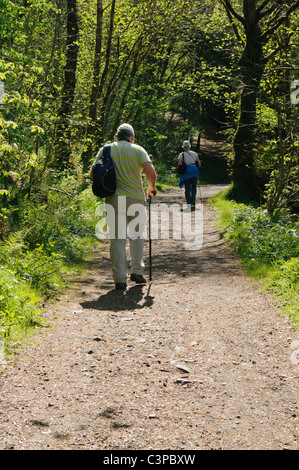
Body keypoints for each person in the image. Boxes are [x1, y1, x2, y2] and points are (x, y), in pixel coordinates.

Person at [90, 123, 157, 290]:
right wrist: (151, 187)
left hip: (114, 199)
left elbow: (92, 174)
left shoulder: (106, 149)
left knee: (117, 240)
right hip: (135, 198)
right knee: (137, 235)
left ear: (117, 137)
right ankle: (136, 271)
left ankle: (120, 279)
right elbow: (150, 169)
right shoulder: (138, 150)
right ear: (132, 137)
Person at [178, 140, 201, 210]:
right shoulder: (194, 154)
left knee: (187, 188)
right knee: (194, 187)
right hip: (194, 172)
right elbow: (199, 164)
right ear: (189, 146)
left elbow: (179, 165)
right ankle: (193, 199)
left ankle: (189, 203)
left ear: (183, 147)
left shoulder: (181, 155)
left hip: (186, 173)